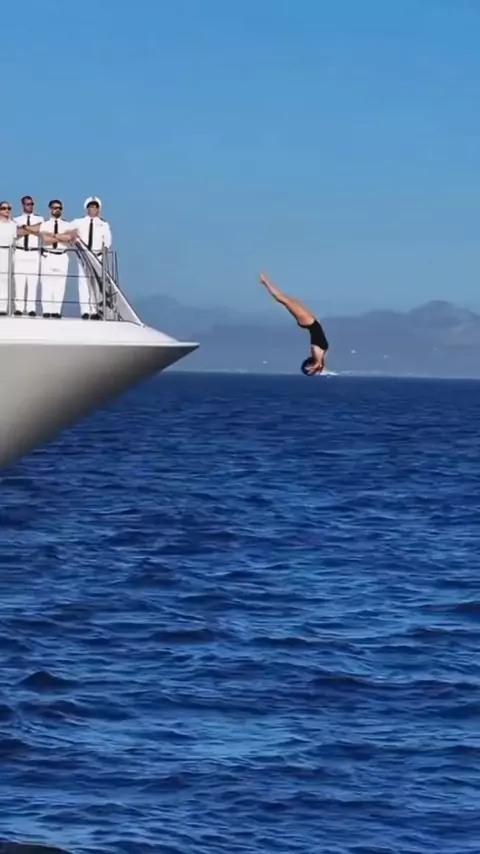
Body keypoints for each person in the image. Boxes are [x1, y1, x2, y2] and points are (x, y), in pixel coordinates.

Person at [260, 272, 329, 375]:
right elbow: (318, 364)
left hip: (309, 322)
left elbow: (318, 364)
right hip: (310, 321)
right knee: (287, 299)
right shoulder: (319, 356)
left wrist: (314, 367)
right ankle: (265, 281)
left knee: (283, 299)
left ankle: (265, 281)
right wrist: (314, 367)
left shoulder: (320, 353)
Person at [70, 196, 112, 319]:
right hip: (83, 256)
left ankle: (94, 310)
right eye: (91, 207)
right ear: (87, 209)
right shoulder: (78, 222)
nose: (93, 209)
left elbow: (107, 240)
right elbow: (67, 230)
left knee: (95, 284)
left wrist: (104, 251)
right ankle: (85, 310)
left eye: (95, 207)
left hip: (97, 257)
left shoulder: (103, 224)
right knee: (83, 283)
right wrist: (73, 239)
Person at [39, 200, 76, 318]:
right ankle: (46, 310)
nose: (57, 210)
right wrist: (61, 236)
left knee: (60, 285)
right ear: (50, 209)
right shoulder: (45, 224)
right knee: (46, 283)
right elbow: (46, 239)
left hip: (62, 256)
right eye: (55, 208)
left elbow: (69, 237)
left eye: (60, 208)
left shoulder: (67, 225)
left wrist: (54, 235)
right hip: (48, 255)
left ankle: (56, 310)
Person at [14, 195, 44, 316]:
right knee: (19, 281)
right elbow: (16, 232)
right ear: (23, 205)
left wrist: (24, 228)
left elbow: (40, 229)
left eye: (31, 204)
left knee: (33, 281)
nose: (30, 206)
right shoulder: (16, 220)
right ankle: (19, 308)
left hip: (34, 252)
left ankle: (31, 308)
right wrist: (32, 229)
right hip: (20, 251)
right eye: (28, 204)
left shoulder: (39, 218)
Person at [0, 202, 20, 315]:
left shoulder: (13, 224)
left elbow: (15, 238)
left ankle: (3, 307)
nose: (6, 210)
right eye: (4, 208)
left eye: (9, 208)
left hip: (8, 253)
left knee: (5, 280)